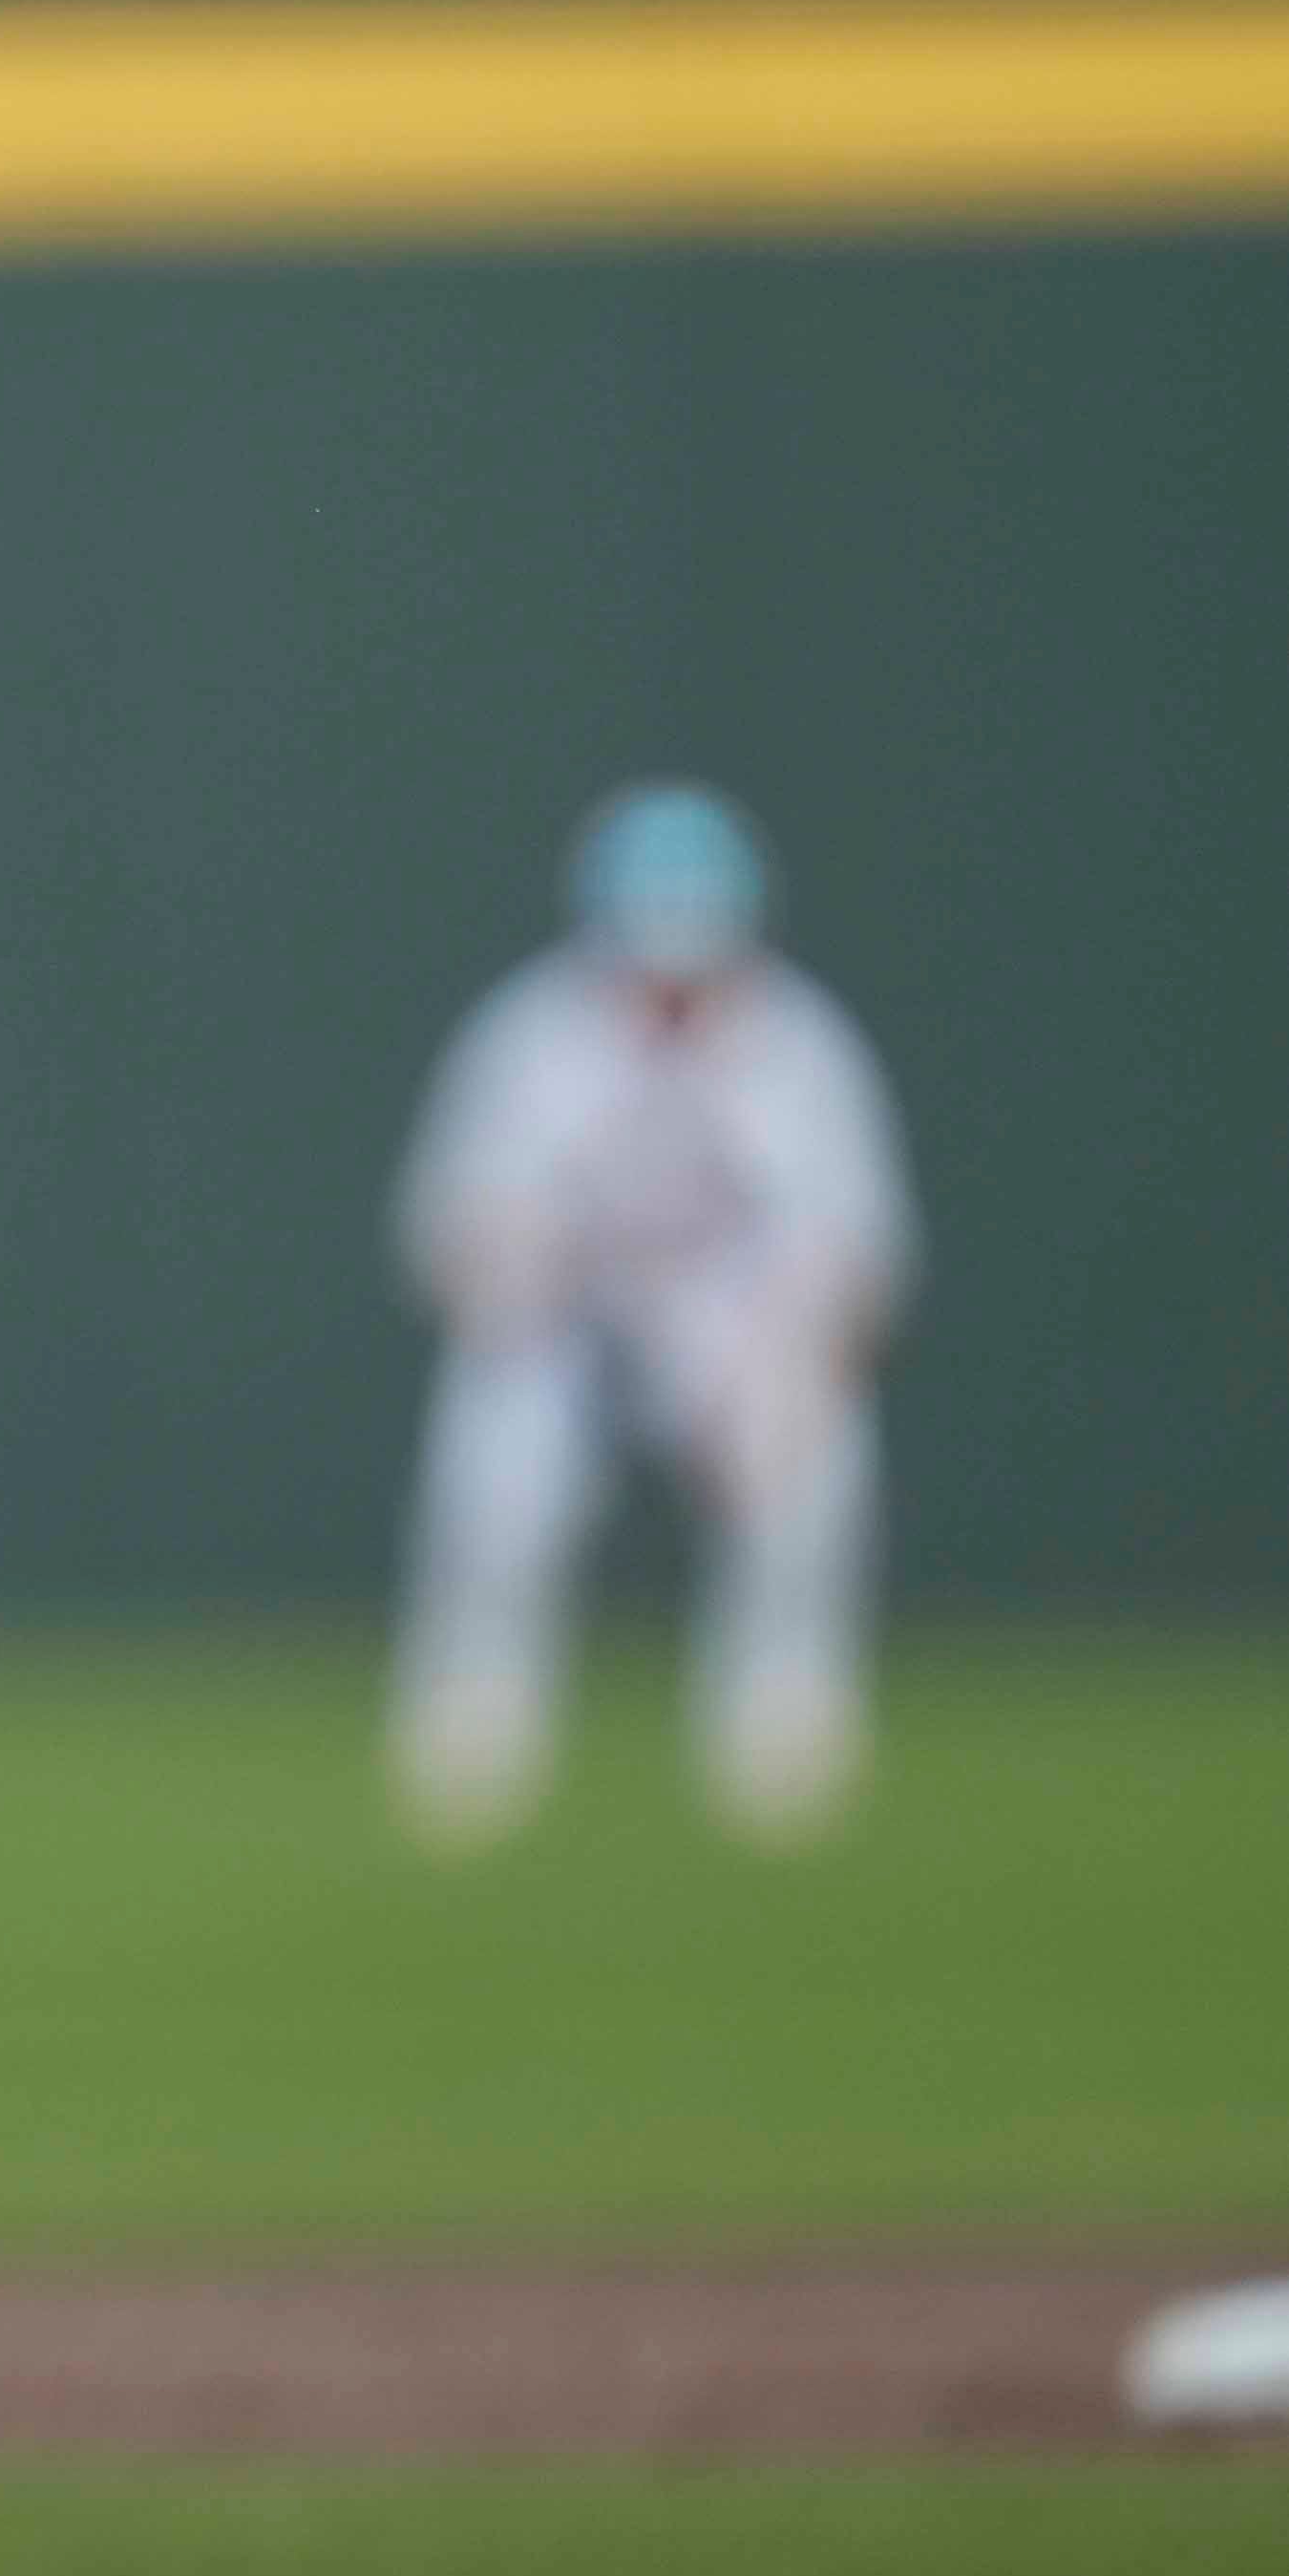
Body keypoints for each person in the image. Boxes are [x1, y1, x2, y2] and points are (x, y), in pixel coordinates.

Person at [387, 783, 912, 1854]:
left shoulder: (799, 1046)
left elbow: (856, 1246)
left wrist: (791, 1351)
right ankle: (475, 1715)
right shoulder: (530, 1037)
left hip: (727, 1319)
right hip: (571, 1316)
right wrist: (515, 1272)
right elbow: (447, 1223)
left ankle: (782, 1714)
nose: (669, 993)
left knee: (806, 1444)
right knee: (501, 1451)